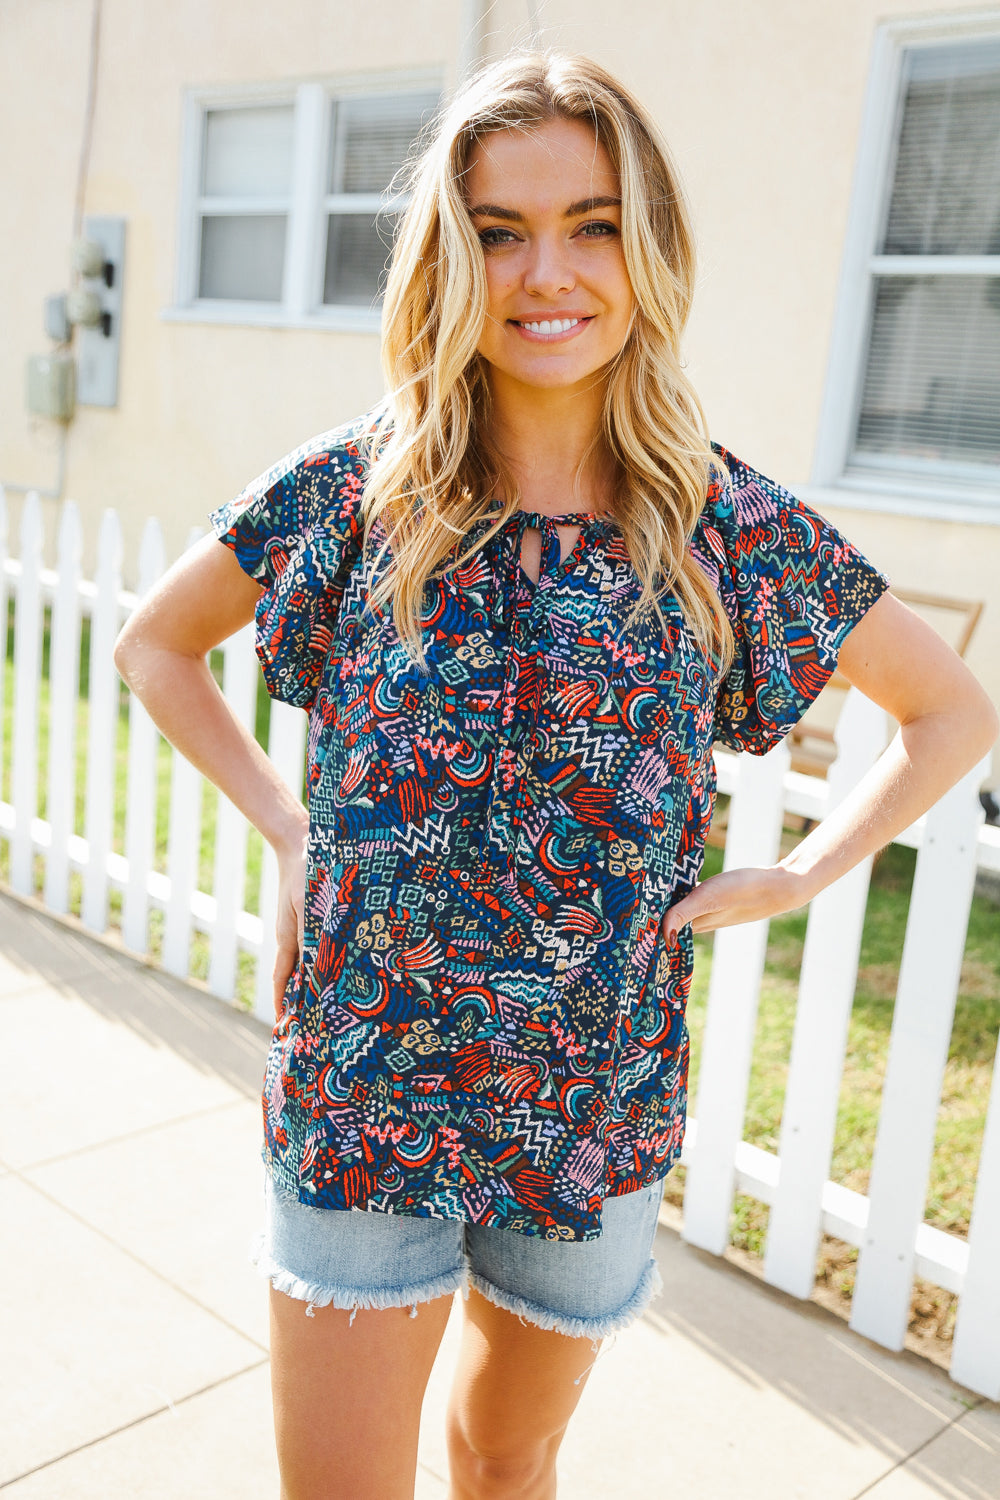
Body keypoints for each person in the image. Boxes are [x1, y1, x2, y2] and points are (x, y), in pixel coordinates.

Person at [114, 49, 997, 1500]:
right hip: (368, 1079)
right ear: (448, 256)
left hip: (591, 1104)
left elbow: (951, 712)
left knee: (504, 1461)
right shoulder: (357, 490)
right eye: (499, 229)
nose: (547, 273)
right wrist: (291, 834)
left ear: (645, 245)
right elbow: (158, 646)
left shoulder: (723, 524)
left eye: (591, 223)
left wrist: (800, 871)